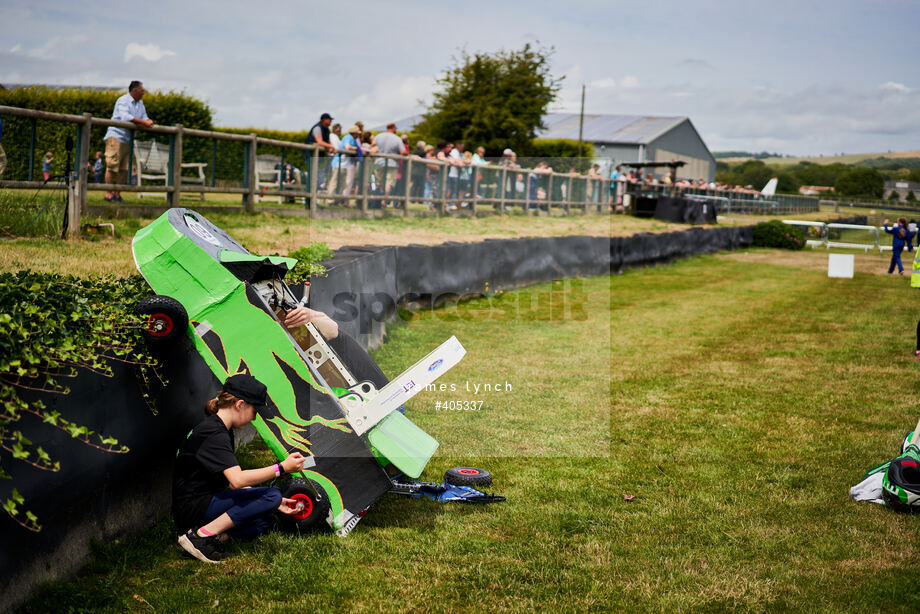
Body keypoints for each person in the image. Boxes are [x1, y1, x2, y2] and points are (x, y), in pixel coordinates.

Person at [172, 373, 307, 563]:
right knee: (272, 495)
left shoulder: (220, 428)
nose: (254, 418)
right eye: (255, 411)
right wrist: (282, 468)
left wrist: (266, 502)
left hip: (202, 505)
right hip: (194, 509)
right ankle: (200, 537)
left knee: (267, 518)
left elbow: (234, 484)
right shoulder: (214, 433)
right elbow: (238, 480)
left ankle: (216, 537)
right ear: (240, 404)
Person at [104, 80, 154, 202]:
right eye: (142, 90)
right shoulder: (123, 101)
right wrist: (144, 122)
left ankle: (116, 195)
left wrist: (148, 120)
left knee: (125, 169)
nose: (143, 93)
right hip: (116, 137)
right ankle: (108, 194)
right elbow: (125, 117)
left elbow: (144, 116)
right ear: (135, 90)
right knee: (112, 165)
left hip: (128, 139)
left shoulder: (140, 103)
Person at [373, 122, 403, 206]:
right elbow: (403, 152)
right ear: (393, 128)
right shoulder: (397, 139)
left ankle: (377, 200)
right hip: (392, 163)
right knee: (388, 183)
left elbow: (373, 146)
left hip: (379, 162)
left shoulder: (378, 136)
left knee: (379, 182)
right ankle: (383, 201)